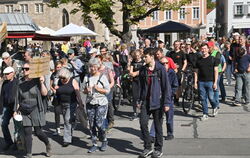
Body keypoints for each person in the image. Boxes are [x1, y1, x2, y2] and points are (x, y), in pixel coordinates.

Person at [137, 48, 172, 158]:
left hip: (158, 102)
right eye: (143, 56)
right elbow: (141, 86)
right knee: (143, 123)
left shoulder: (160, 69)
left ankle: (158, 149)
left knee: (158, 127)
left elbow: (166, 87)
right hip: (146, 102)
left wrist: (167, 103)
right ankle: (148, 147)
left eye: (145, 56)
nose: (144, 58)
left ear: (152, 57)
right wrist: (139, 100)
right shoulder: (143, 70)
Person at [13, 63, 52, 158]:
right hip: (24, 109)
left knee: (38, 132)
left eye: (27, 69)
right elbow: (17, 97)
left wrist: (42, 83)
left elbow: (45, 93)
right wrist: (15, 110)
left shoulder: (37, 81)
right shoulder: (20, 82)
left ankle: (47, 143)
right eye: (23, 68)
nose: (24, 70)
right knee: (27, 132)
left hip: (36, 108)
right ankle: (29, 154)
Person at [82, 58, 110, 153]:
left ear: (98, 67)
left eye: (94, 66)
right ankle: (94, 144)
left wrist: (98, 89)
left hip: (101, 103)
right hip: (90, 102)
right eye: (90, 66)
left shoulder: (102, 77)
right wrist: (87, 90)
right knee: (92, 124)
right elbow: (83, 90)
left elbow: (107, 90)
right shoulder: (86, 77)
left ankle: (104, 140)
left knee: (99, 124)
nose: (92, 68)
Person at [149, 57, 178, 141]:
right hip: (158, 98)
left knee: (169, 117)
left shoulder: (171, 73)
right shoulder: (156, 72)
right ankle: (152, 134)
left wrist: (170, 94)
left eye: (166, 63)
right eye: (162, 63)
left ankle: (170, 133)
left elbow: (175, 86)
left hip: (168, 98)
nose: (164, 65)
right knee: (157, 117)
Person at [55, 68, 81, 147]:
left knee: (67, 120)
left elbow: (77, 93)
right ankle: (69, 134)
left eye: (64, 78)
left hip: (71, 104)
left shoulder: (73, 81)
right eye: (60, 78)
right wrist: (55, 90)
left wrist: (80, 103)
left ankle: (66, 140)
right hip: (62, 103)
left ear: (67, 76)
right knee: (68, 121)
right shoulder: (59, 82)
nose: (62, 80)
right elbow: (57, 92)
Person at [194, 43, 219, 120]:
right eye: (202, 49)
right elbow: (196, 72)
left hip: (210, 81)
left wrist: (215, 82)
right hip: (201, 82)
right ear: (201, 50)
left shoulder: (213, 59)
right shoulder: (199, 60)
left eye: (205, 48)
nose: (204, 50)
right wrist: (195, 82)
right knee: (203, 98)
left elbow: (216, 71)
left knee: (211, 97)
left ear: (208, 49)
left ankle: (215, 107)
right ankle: (205, 114)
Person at [0, 67, 19, 151]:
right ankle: (8, 142)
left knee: (17, 126)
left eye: (7, 74)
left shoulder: (18, 82)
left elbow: (20, 96)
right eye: (5, 74)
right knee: (3, 124)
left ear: (13, 73)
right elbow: (2, 96)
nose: (6, 76)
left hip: (15, 107)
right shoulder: (5, 83)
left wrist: (18, 108)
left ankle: (16, 143)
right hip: (6, 107)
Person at [97, 55, 115, 130]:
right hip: (98, 90)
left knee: (108, 104)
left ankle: (110, 121)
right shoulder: (95, 70)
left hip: (107, 89)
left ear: (101, 61)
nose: (97, 63)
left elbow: (112, 81)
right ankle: (101, 122)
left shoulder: (107, 69)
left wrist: (107, 88)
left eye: (98, 61)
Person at [168, 40, 187, 106]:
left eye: (178, 44)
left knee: (178, 86)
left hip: (179, 72)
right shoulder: (171, 53)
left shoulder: (182, 53)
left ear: (179, 45)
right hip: (171, 71)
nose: (176, 46)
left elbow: (185, 62)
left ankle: (177, 100)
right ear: (173, 45)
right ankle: (171, 98)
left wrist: (182, 70)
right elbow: (168, 61)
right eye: (175, 44)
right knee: (170, 85)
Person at [128, 49, 144, 120]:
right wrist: (131, 73)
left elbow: (143, 70)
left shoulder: (143, 62)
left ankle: (143, 112)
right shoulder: (133, 62)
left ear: (140, 55)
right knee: (135, 97)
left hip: (142, 80)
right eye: (136, 56)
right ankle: (135, 112)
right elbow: (131, 71)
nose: (137, 57)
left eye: (138, 55)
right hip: (135, 81)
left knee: (142, 97)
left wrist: (136, 73)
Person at [50, 61, 62, 136]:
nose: (59, 68)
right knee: (57, 112)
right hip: (56, 96)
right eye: (57, 67)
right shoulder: (53, 75)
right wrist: (53, 89)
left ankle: (69, 127)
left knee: (66, 113)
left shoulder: (64, 74)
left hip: (64, 95)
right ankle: (57, 129)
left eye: (60, 67)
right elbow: (50, 84)